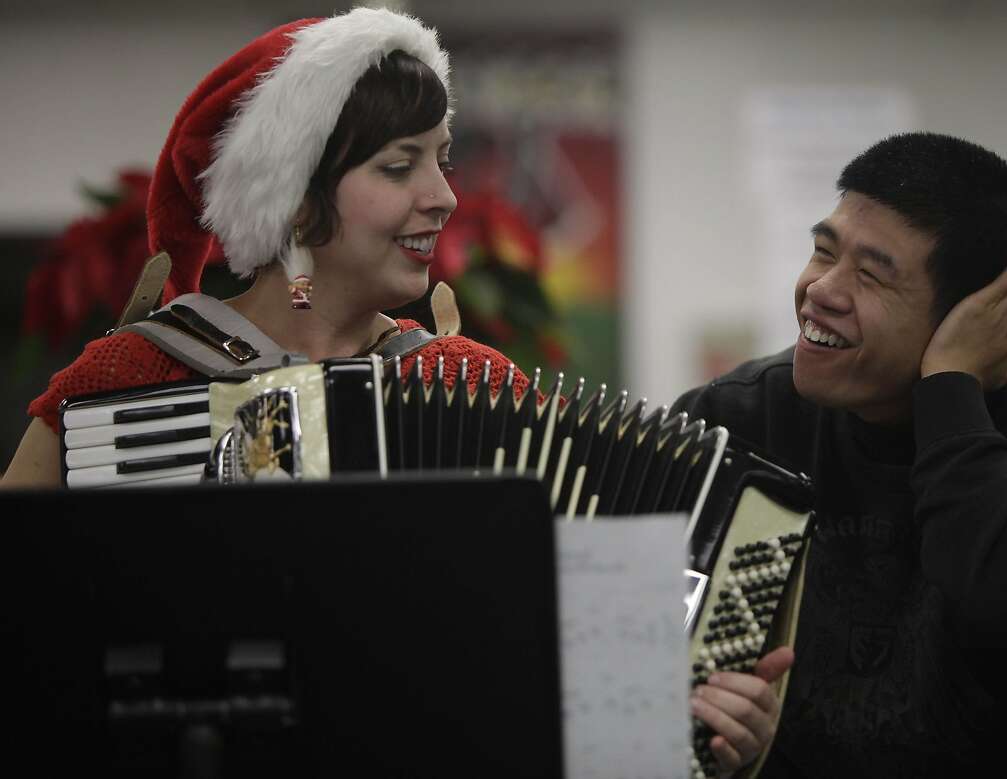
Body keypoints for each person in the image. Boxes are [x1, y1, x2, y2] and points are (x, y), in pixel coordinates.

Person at [0, 8, 787, 773]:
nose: (443, 195)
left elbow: (577, 679)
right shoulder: (135, 379)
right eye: (399, 164)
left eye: (442, 159)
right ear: (297, 198)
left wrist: (707, 724)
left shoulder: (474, 385)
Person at [672, 132, 1007, 778]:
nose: (821, 290)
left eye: (871, 275)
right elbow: (639, 645)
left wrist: (950, 382)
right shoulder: (732, 420)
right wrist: (709, 718)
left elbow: (996, 599)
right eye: (822, 251)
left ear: (975, 319)